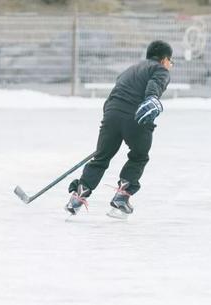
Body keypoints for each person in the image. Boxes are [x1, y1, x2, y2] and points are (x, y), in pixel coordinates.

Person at [65, 40, 172, 216]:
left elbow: (113, 96)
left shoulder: (129, 71)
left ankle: (77, 197)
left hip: (111, 115)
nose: (170, 65)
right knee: (139, 156)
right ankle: (122, 197)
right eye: (170, 61)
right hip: (136, 117)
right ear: (164, 59)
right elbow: (155, 85)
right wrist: (152, 98)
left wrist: (111, 121)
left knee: (101, 157)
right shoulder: (160, 69)